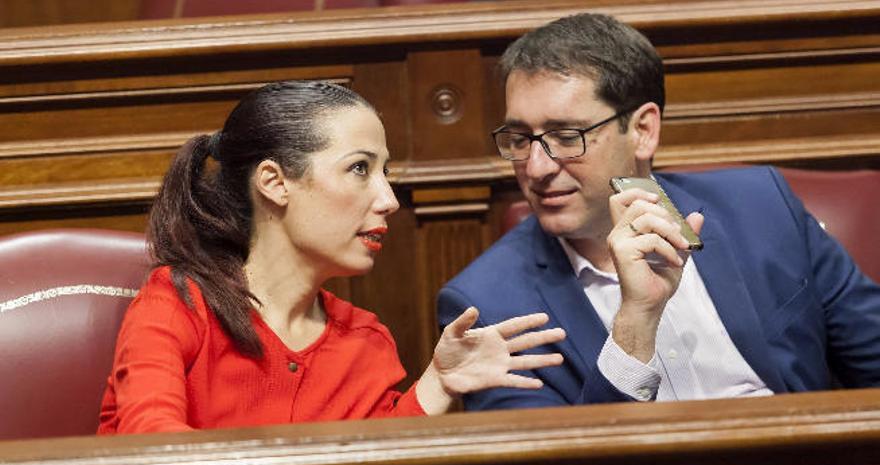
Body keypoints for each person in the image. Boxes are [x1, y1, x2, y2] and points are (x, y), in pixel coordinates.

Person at [437, 13, 880, 410]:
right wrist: (634, 323)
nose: (536, 168)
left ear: (643, 131)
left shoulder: (762, 207)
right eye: (519, 139)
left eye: (567, 136)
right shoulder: (488, 304)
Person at [98, 81, 565, 434]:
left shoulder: (365, 339)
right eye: (360, 169)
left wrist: (438, 385)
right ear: (275, 182)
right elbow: (151, 452)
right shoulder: (176, 304)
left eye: (386, 172)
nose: (389, 199)